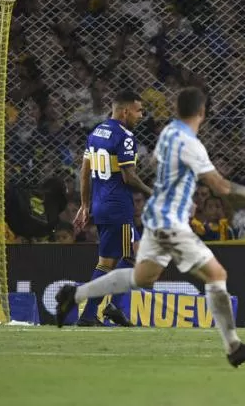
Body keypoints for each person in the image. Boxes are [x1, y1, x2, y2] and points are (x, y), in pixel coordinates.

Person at [56, 86, 245, 368]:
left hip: (153, 216)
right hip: (168, 221)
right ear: (202, 112)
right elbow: (221, 186)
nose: (141, 116)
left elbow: (157, 164)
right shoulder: (190, 144)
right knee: (217, 274)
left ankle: (76, 295)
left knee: (142, 277)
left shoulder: (166, 135)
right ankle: (234, 347)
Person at [73, 90, 154, 327]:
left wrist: (85, 205)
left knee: (132, 255)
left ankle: (113, 308)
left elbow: (85, 173)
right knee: (110, 262)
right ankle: (92, 313)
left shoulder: (96, 132)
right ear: (125, 110)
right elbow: (129, 177)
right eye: (139, 111)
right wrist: (153, 193)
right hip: (118, 206)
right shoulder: (125, 136)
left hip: (101, 205)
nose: (141, 115)